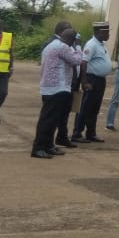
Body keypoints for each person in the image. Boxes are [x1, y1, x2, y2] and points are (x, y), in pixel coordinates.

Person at [32, 28, 83, 158]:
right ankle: (38, 148)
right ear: (72, 40)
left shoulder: (51, 45)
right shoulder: (63, 47)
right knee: (47, 120)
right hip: (57, 88)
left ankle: (48, 146)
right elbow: (76, 60)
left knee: (52, 120)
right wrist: (78, 46)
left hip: (50, 87)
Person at [72, 22, 112, 142]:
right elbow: (83, 63)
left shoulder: (101, 45)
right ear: (98, 32)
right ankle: (77, 133)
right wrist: (84, 82)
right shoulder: (92, 45)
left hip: (100, 80)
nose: (108, 34)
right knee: (85, 107)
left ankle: (91, 133)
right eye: (106, 32)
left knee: (95, 108)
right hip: (91, 79)